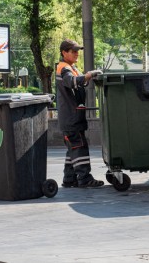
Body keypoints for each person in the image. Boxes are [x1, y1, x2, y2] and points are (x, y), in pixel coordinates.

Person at [55, 39, 103, 188]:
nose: (77, 54)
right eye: (73, 51)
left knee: (73, 148)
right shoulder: (64, 68)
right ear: (64, 52)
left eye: (78, 51)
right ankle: (85, 178)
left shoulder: (71, 67)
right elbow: (72, 82)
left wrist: (88, 78)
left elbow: (80, 82)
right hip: (71, 118)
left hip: (73, 117)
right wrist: (89, 75)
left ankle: (69, 179)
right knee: (79, 147)